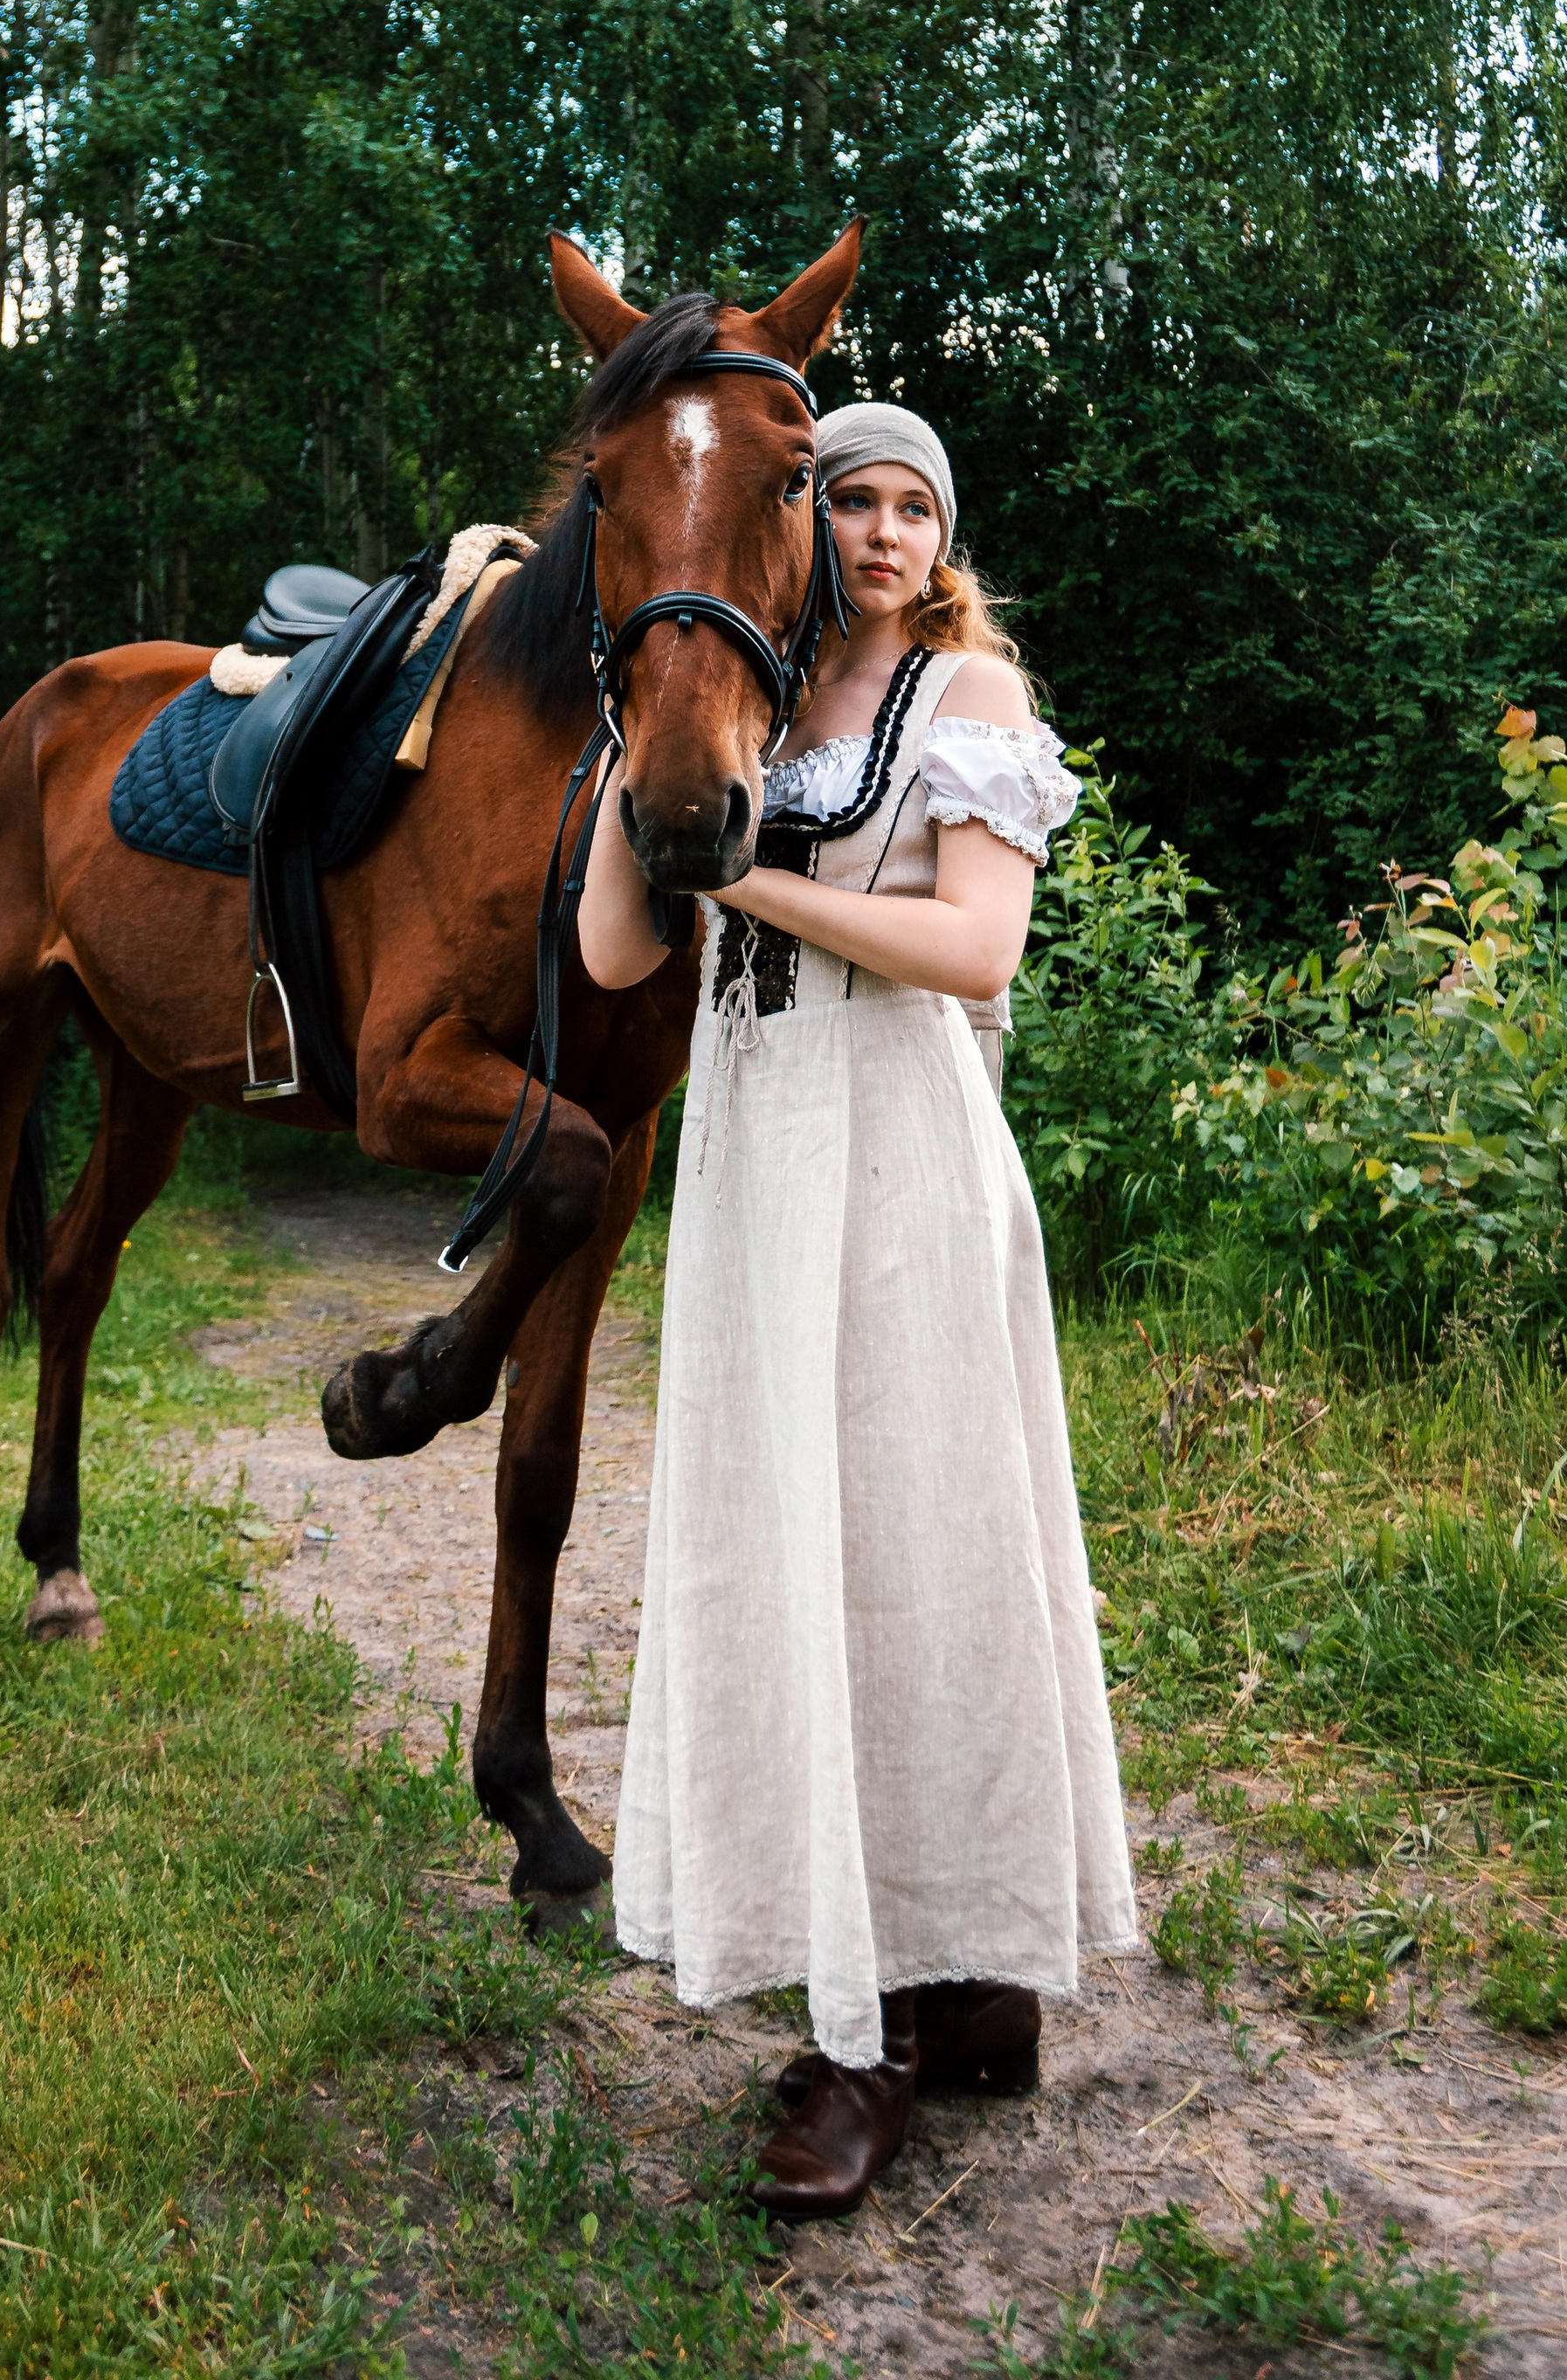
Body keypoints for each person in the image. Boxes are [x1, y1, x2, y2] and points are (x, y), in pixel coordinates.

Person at [578, 402, 1136, 2221]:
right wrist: (635, 773)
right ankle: (957, 1999)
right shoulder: (743, 699)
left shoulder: (965, 706)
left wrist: (737, 869)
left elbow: (973, 952)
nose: (881, 533)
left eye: (913, 507)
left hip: (898, 1150)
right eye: (850, 500)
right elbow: (608, 955)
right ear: (798, 522)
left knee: (911, 1552)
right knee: (789, 1553)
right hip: (755, 1164)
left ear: (940, 536)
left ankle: (881, 2030)